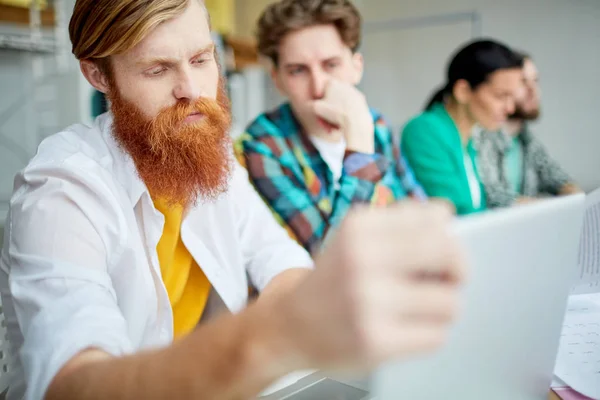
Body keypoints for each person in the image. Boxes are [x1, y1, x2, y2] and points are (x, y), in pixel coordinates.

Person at [0, 1, 467, 399]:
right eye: (158, 69)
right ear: (97, 74)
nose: (192, 91)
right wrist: (278, 334)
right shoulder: (61, 191)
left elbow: (281, 262)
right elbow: (75, 384)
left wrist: (305, 309)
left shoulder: (211, 153)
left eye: (202, 60)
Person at [234, 0, 425, 254]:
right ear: (278, 80)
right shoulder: (262, 147)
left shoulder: (377, 125)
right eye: (298, 70)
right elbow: (331, 259)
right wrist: (359, 149)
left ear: (357, 67)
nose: (319, 88)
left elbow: (420, 213)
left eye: (331, 65)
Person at [401, 39, 524, 215]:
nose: (510, 108)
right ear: (463, 91)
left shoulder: (469, 137)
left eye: (512, 97)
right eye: (500, 96)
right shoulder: (424, 130)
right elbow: (456, 213)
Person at [475, 52, 581, 208]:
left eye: (536, 80)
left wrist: (574, 194)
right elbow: (491, 197)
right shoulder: (480, 136)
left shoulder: (528, 140)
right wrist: (545, 208)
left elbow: (559, 178)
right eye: (523, 82)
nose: (533, 90)